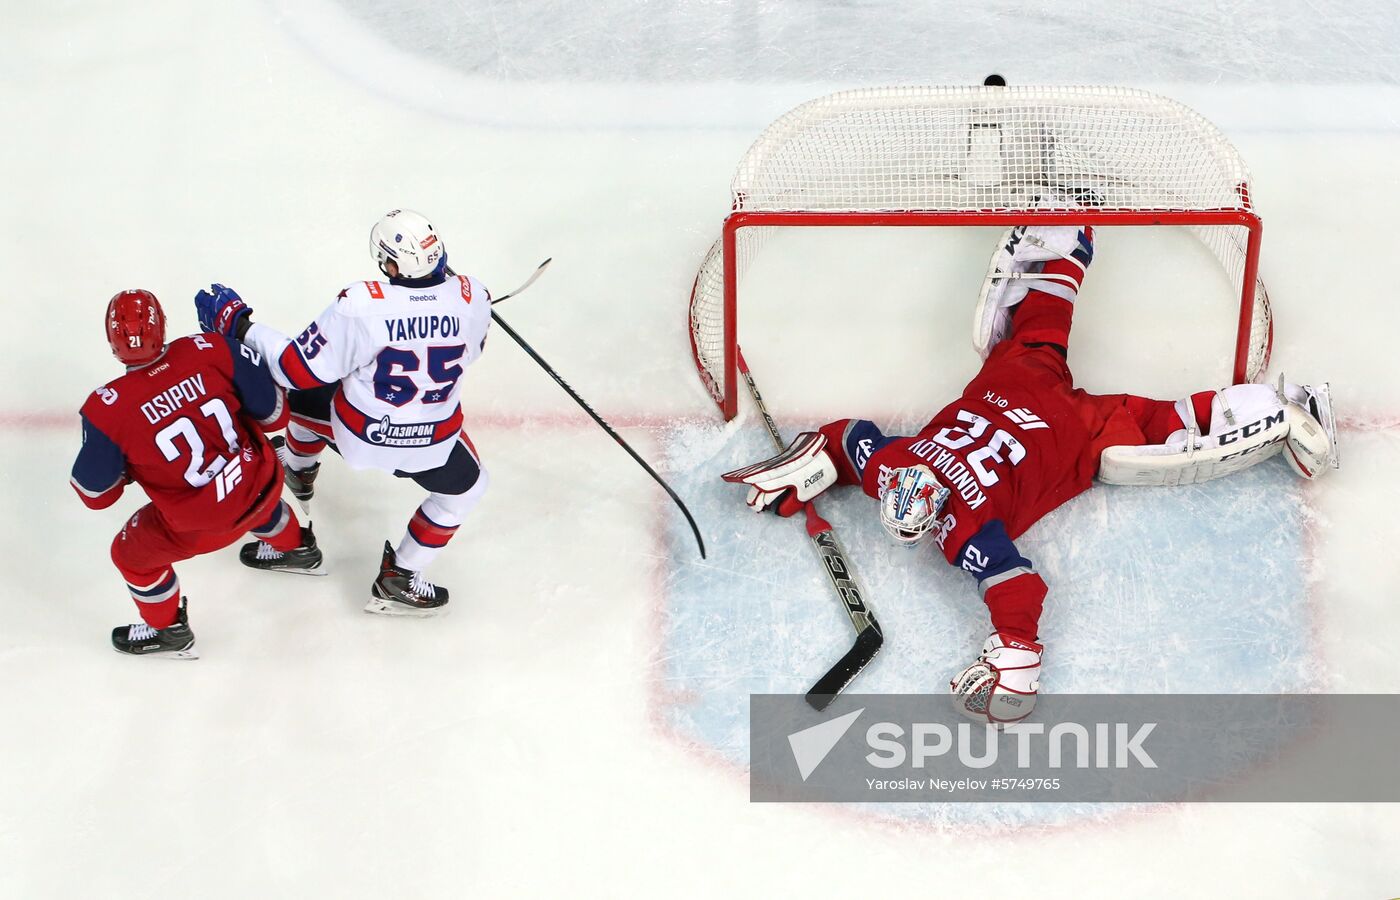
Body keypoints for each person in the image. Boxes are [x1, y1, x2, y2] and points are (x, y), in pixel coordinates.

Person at [723, 221, 1339, 723]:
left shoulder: (955, 522)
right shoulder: (893, 466)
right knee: (1040, 337)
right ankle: (1064, 239)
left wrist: (1017, 659)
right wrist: (814, 464)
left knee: (1160, 430)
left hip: (1069, 434)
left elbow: (1020, 587)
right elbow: (849, 438)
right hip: (1015, 387)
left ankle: (1286, 412)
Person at [194, 209, 491, 616]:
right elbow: (471, 351)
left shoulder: (363, 305)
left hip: (364, 435)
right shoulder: (474, 297)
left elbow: (295, 369)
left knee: (296, 394)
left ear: (391, 265)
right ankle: (401, 576)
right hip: (433, 444)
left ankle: (298, 471)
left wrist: (240, 326)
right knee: (469, 489)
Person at [71, 289, 320, 659]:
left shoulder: (106, 409)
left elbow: (96, 495)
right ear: (162, 325)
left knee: (129, 555)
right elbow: (274, 417)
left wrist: (130, 463)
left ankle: (168, 631)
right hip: (260, 481)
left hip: (203, 525)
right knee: (252, 487)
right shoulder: (213, 348)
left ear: (112, 343)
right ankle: (298, 548)